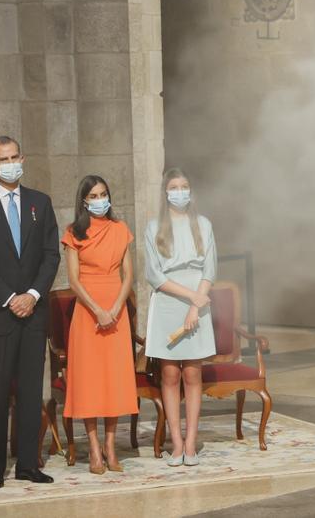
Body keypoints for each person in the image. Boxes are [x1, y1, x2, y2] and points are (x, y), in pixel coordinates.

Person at [0, 135, 60, 489]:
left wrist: (32, 295)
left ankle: (28, 465)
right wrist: (9, 298)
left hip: (33, 314)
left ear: (23, 159)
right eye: (3, 159)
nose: (11, 164)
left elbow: (51, 255)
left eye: (15, 157)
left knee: (31, 393)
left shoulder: (40, 203)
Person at [61, 175, 138, 474]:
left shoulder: (121, 229)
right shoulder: (74, 233)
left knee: (113, 379)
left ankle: (110, 446)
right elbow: (73, 280)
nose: (99, 200)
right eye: (93, 196)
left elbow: (128, 275)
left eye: (103, 194)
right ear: (84, 201)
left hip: (116, 311)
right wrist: (97, 311)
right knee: (90, 380)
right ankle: (93, 448)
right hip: (88, 313)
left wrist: (116, 308)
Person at [143, 168, 217, 466]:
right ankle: (175, 443)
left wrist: (196, 305)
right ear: (165, 192)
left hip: (198, 302)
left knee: (192, 374)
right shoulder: (154, 228)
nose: (179, 192)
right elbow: (154, 275)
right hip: (168, 302)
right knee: (171, 374)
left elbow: (210, 269)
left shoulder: (203, 224)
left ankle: (190, 443)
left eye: (184, 186)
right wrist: (190, 298)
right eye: (174, 187)